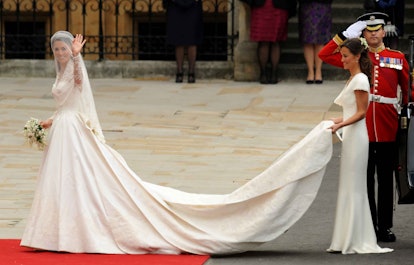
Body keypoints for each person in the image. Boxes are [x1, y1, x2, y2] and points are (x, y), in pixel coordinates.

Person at [20, 31, 335, 254]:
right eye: (58, 51)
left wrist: (77, 59)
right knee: (64, 182)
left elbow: (78, 85)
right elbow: (67, 102)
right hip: (63, 128)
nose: (60, 54)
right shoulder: (59, 73)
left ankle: (74, 230)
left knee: (81, 180)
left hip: (74, 134)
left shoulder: (73, 68)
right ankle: (55, 230)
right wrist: (50, 120)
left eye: (64, 49)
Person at [319, 12, 410, 243]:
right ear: (363, 33)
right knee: (365, 176)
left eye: (376, 29)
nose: (372, 34)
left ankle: (385, 226)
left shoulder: (397, 57)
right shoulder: (358, 57)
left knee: (387, 179)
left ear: (383, 31)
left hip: (388, 123)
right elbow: (325, 54)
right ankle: (368, 222)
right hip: (363, 125)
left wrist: (406, 115)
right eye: (367, 30)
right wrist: (343, 36)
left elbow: (407, 91)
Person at [326, 38, 392, 254]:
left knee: (355, 186)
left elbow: (362, 113)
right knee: (348, 185)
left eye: (345, 56)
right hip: (351, 135)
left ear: (357, 57)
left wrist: (341, 125)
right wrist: (337, 122)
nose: (342, 60)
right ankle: (345, 237)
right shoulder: (353, 78)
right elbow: (350, 111)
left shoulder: (361, 79)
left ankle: (357, 237)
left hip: (358, 137)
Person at [246, 0, 297, 84]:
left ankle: (272, 74)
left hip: (279, 7)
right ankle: (266, 74)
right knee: (264, 41)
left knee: (275, 41)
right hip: (262, 7)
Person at [163, 0, 203, 83]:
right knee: (178, 39)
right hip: (175, 6)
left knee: (192, 39)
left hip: (193, 7)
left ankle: (191, 72)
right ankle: (179, 71)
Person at [298, 0, 332, 84]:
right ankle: (310, 71)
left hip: (322, 6)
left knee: (320, 39)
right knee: (307, 38)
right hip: (306, 6)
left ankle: (318, 71)